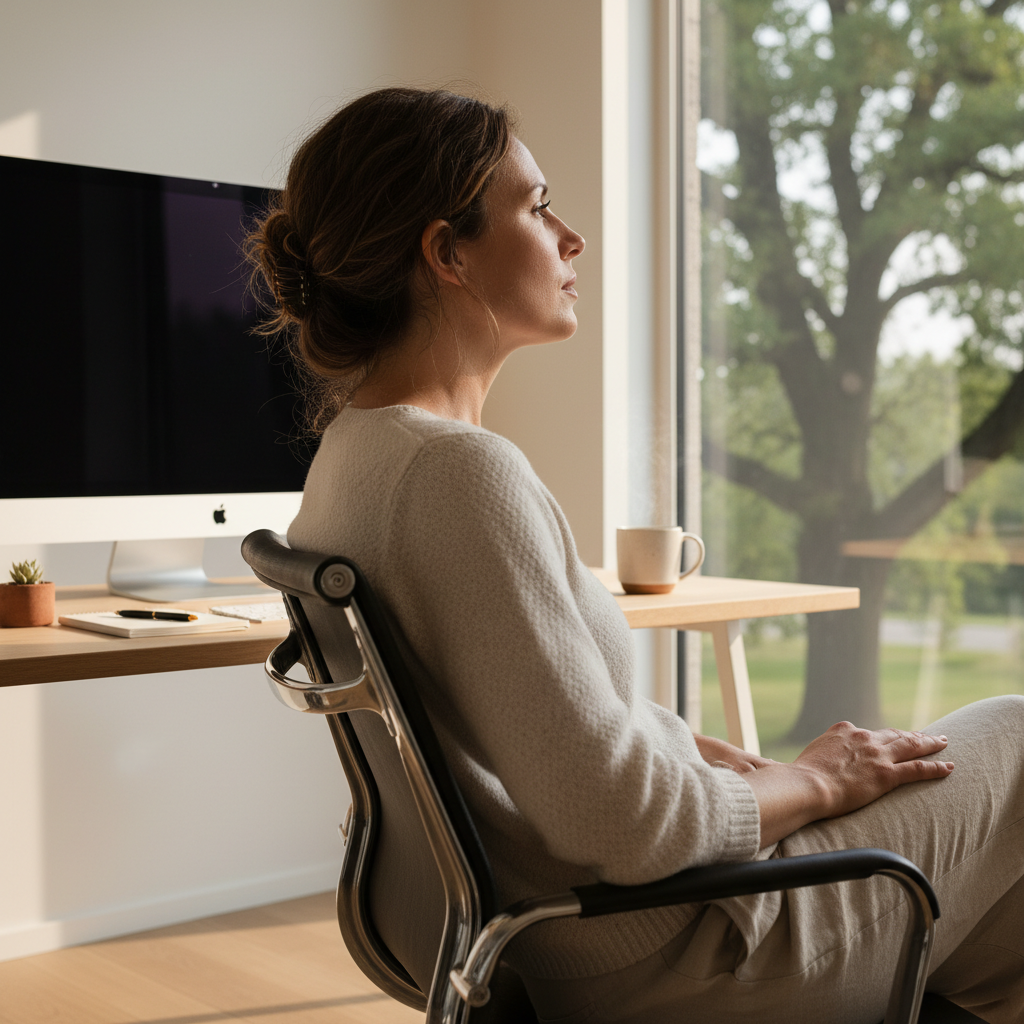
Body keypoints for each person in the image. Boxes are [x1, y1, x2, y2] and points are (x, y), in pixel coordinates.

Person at [245, 87, 1024, 1023]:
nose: (570, 237)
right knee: (1017, 732)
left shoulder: (353, 459)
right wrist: (816, 780)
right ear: (447, 253)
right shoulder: (458, 476)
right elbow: (624, 822)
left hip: (582, 935)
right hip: (672, 953)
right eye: (536, 208)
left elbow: (537, 707)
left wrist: (713, 758)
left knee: (998, 934)